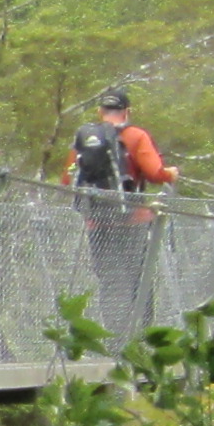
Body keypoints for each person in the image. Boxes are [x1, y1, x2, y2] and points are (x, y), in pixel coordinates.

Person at [64, 85, 177, 338]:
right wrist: (171, 174)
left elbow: (67, 178)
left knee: (110, 281)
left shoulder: (85, 138)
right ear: (127, 111)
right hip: (133, 221)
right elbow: (154, 173)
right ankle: (142, 338)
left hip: (97, 223)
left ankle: (114, 339)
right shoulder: (135, 136)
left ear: (100, 111)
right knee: (138, 279)